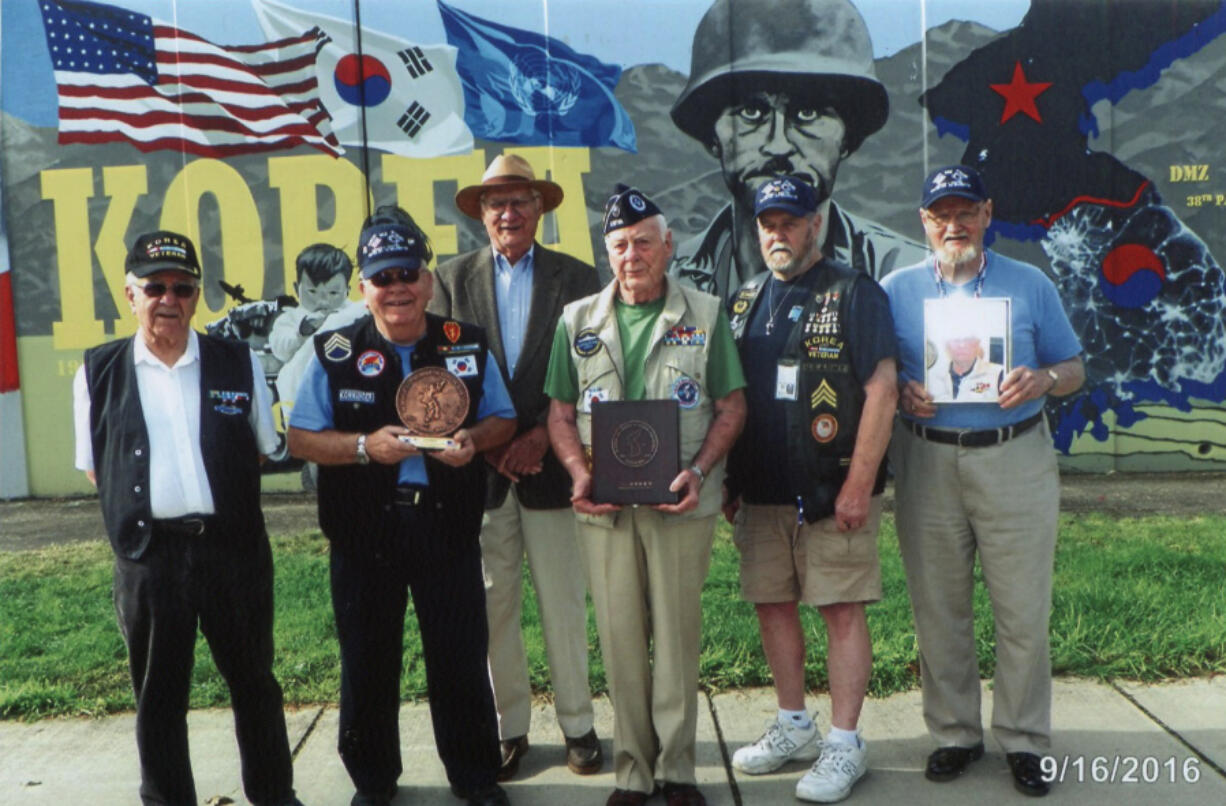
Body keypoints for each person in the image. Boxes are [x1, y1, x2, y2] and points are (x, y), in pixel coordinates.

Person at [286, 209, 518, 806]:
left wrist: (476, 441)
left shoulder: (463, 344)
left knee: (461, 658)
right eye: (382, 278)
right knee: (367, 663)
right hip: (365, 532)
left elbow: (503, 418)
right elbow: (302, 438)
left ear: (428, 279)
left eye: (407, 274)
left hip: (446, 526)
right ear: (363, 287)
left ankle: (474, 775)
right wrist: (364, 447)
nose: (397, 289)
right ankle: (372, 780)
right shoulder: (334, 354)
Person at [71, 230, 303, 806]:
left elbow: (260, 446)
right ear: (130, 295)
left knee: (254, 683)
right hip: (150, 560)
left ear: (197, 296)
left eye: (182, 287)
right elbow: (98, 471)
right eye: (154, 287)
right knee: (158, 696)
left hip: (233, 553)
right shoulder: (97, 373)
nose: (168, 299)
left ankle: (275, 796)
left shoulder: (237, 360)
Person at [880, 166, 1085, 798]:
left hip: (1013, 456)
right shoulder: (895, 290)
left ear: (987, 214)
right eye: (940, 214)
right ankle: (954, 733)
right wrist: (899, 390)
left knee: (1022, 608)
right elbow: (875, 373)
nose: (953, 225)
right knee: (939, 607)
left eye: (965, 211)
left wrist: (1043, 381)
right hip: (927, 458)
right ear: (924, 222)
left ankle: (1024, 739)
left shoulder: (1028, 285)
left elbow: (1074, 366)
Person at [544, 185, 747, 806]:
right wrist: (579, 472)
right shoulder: (577, 322)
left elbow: (731, 407)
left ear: (668, 246)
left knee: (678, 639)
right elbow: (558, 413)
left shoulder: (707, 315)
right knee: (621, 638)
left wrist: (702, 469)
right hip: (604, 510)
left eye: (642, 243)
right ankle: (633, 770)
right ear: (608, 253)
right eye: (619, 246)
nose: (631, 256)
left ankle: (678, 769)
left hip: (679, 504)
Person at [721, 176, 898, 802]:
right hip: (762, 491)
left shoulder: (854, 292)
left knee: (840, 608)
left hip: (832, 490)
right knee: (773, 604)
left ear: (814, 225)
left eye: (790, 222)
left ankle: (845, 743)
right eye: (768, 223)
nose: (778, 233)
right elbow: (731, 399)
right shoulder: (742, 299)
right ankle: (795, 723)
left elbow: (882, 389)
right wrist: (729, 479)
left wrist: (858, 482)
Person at [430, 153, 604, 780]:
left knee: (564, 602)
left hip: (554, 471)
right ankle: (509, 729)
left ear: (540, 209)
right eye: (496, 202)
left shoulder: (578, 279)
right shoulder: (449, 281)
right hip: (479, 475)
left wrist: (537, 437)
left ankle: (580, 726)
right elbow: (438, 382)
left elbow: (594, 376)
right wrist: (490, 441)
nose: (509, 212)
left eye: (521, 200)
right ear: (481, 212)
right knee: (492, 605)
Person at [668, 0, 926, 305]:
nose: (779, 145)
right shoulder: (670, 277)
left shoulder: (904, 275)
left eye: (808, 112)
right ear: (712, 135)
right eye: (751, 112)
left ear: (848, 137)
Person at [270, 243, 367, 411]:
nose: (323, 301)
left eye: (333, 293)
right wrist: (301, 334)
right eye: (312, 292)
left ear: (348, 291)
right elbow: (280, 348)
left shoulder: (352, 313)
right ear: (296, 288)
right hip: (304, 394)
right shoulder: (293, 318)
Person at [929, 333, 1005, 402]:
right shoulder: (932, 377)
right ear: (947, 345)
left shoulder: (998, 374)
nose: (962, 345)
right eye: (956, 340)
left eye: (967, 339)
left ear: (977, 343)